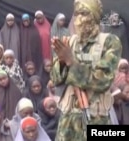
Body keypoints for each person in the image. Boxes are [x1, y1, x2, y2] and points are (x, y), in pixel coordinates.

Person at [50, 0, 122, 140]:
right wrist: (62, 62)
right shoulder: (69, 42)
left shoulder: (109, 42)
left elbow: (102, 81)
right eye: (76, 14)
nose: (79, 19)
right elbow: (55, 78)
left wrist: (71, 61)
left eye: (84, 13)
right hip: (68, 120)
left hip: (95, 117)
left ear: (94, 16)